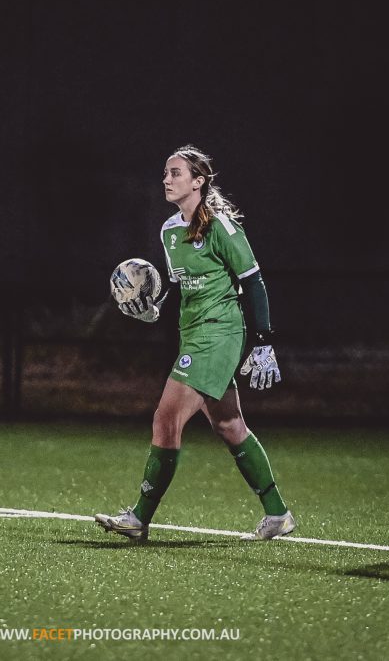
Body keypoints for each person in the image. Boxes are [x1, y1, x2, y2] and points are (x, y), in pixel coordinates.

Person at [95, 144, 295, 542]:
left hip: (220, 331)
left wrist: (264, 341)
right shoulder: (170, 231)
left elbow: (254, 281)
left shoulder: (221, 226)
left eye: (176, 173)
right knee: (229, 424)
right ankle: (278, 515)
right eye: (166, 173)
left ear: (198, 181)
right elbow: (178, 284)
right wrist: (154, 306)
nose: (167, 179)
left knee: (165, 419)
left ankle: (139, 517)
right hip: (194, 332)